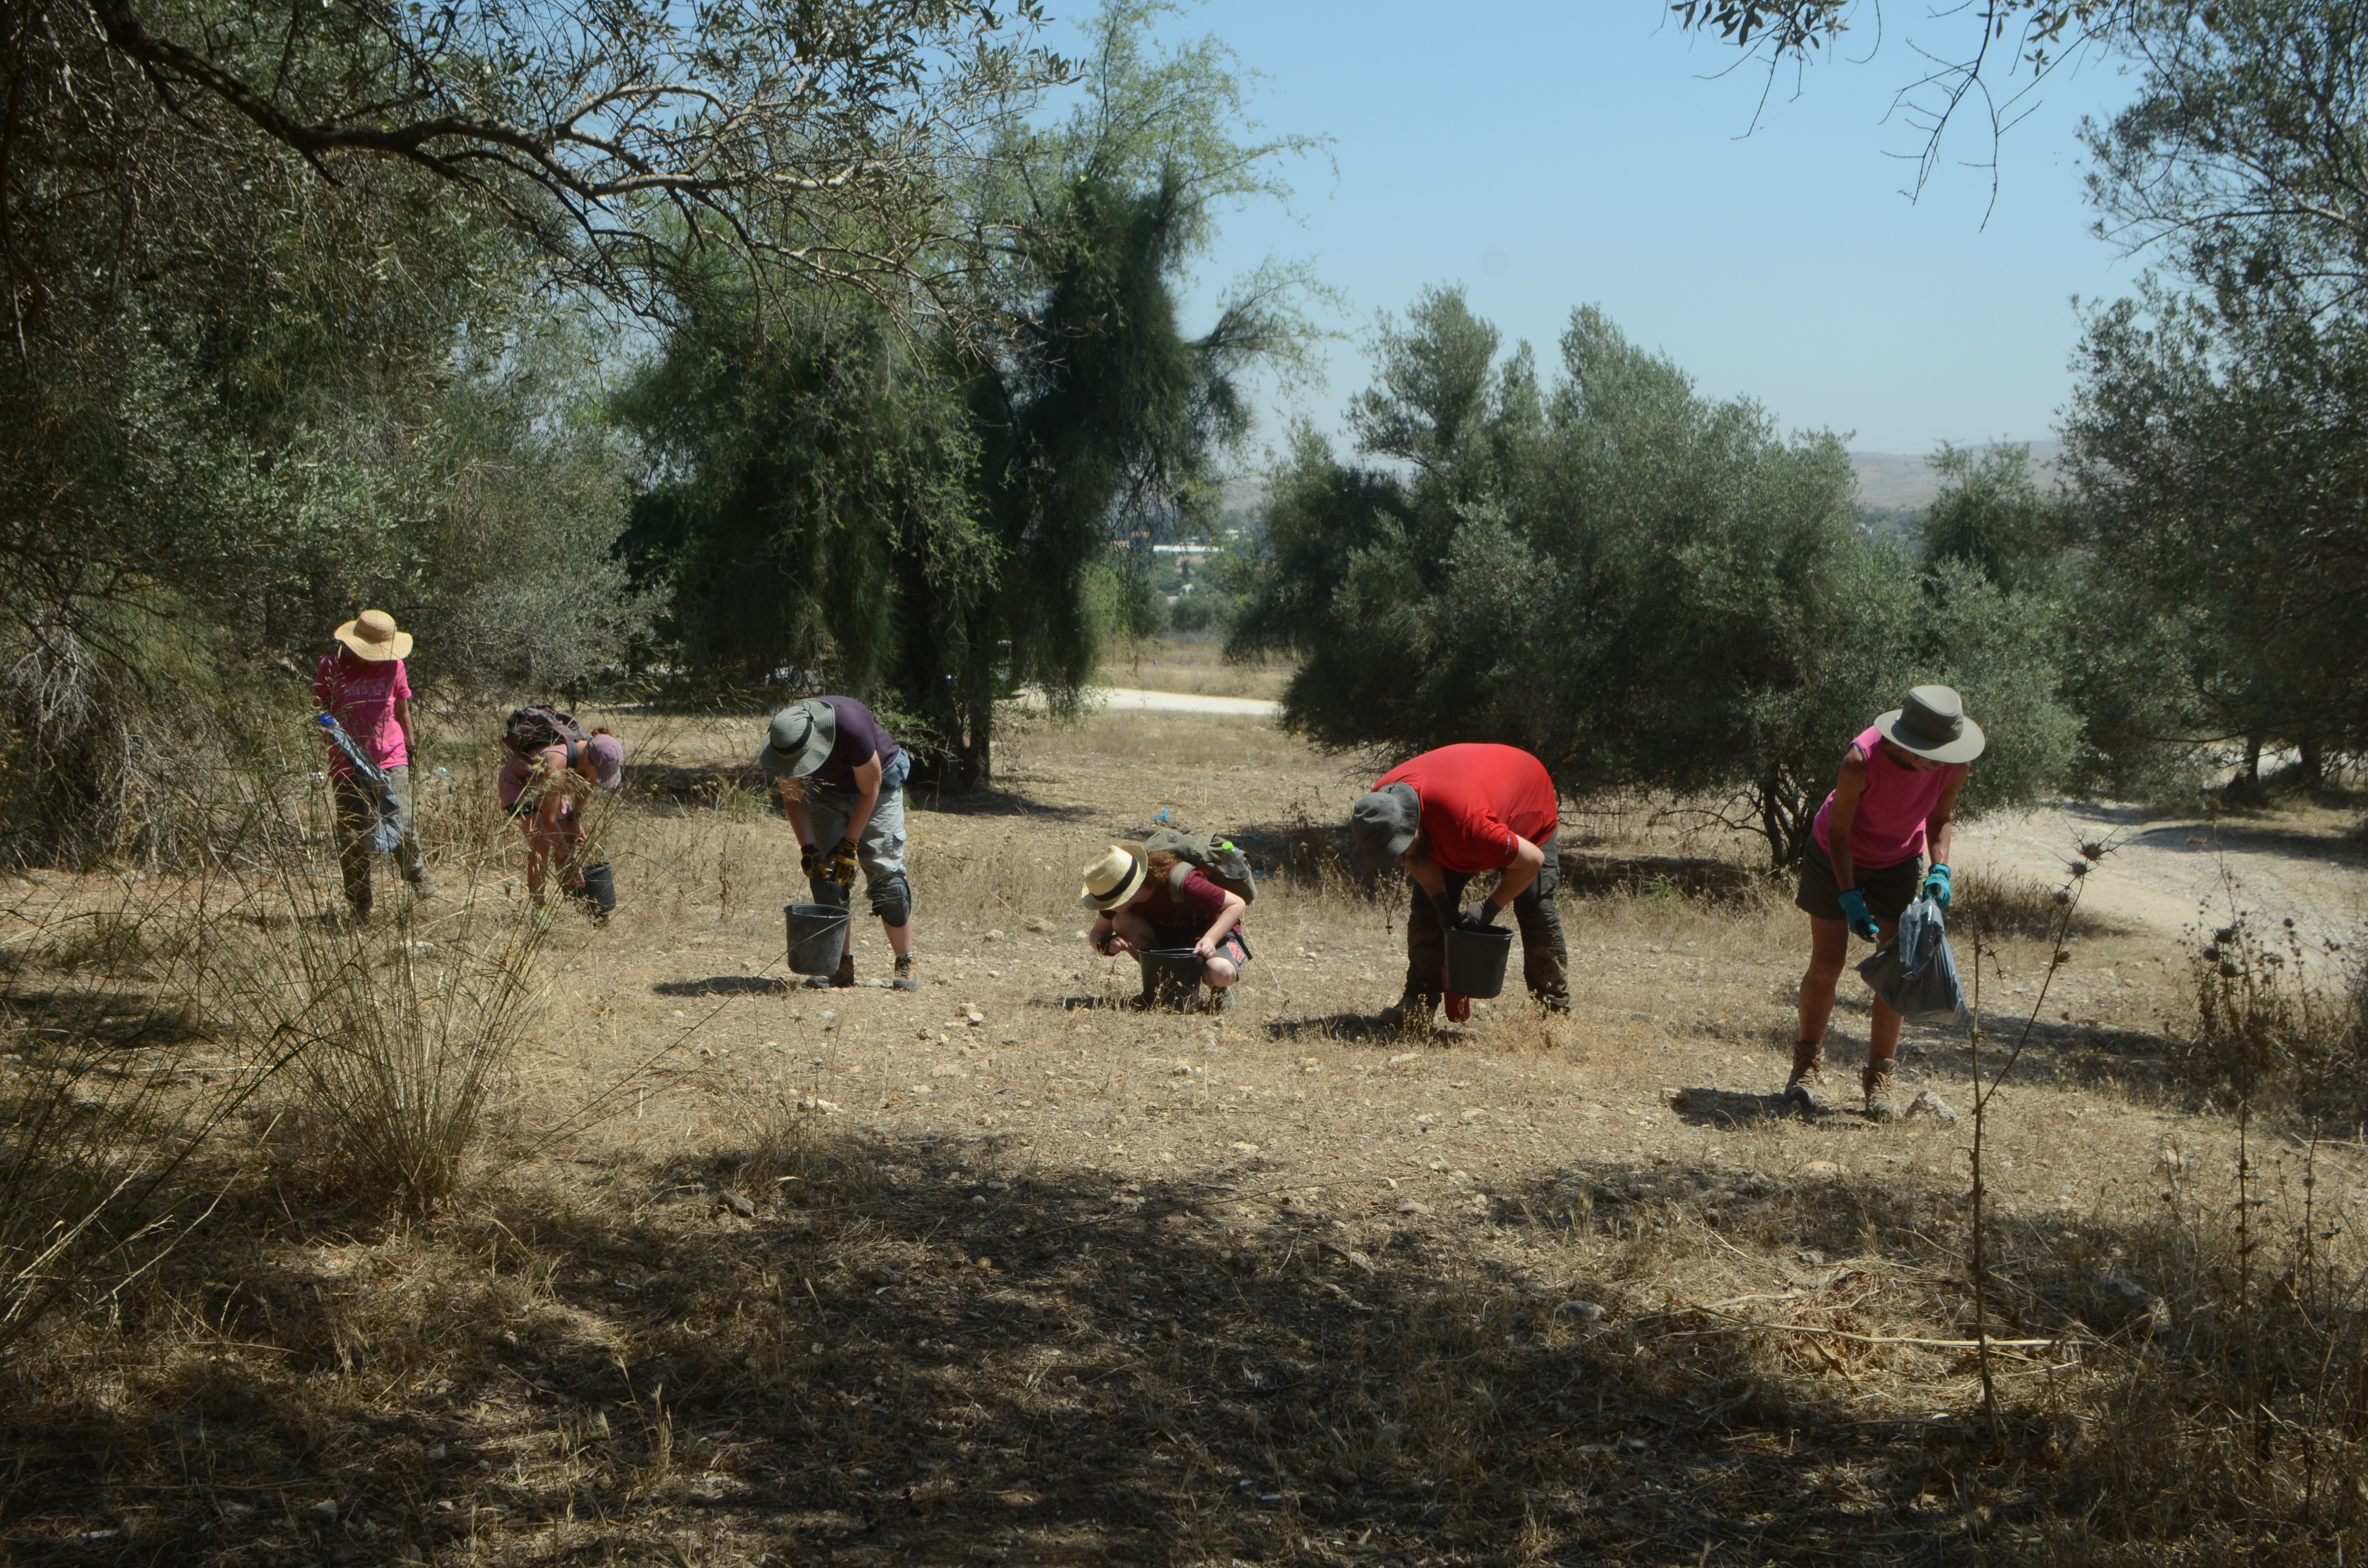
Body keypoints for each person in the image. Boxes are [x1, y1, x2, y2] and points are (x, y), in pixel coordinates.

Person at [1789, 685, 1983, 1117]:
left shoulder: (1954, 762)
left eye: (1943, 752)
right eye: (1928, 753)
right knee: (1828, 965)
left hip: (1898, 861)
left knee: (1899, 969)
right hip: (1834, 855)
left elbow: (1940, 818)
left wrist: (1940, 868)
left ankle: (1880, 1078)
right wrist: (1850, 896)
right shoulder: (1861, 761)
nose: (1937, 762)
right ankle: (1805, 1066)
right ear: (1906, 743)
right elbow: (1839, 835)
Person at [1348, 743, 1568, 1024]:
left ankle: (1553, 1014)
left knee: (1535, 907)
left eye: (1398, 849)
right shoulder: (1382, 802)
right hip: (1464, 803)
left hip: (1525, 797)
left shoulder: (1469, 825)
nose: (1395, 860)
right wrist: (1441, 901)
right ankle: (1418, 1004)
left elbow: (1532, 862)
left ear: (1414, 827)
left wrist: (1489, 908)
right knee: (1427, 909)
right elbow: (1415, 856)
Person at [758, 697, 918, 992]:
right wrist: (809, 850)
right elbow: (793, 797)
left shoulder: (850, 726)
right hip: (828, 792)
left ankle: (905, 962)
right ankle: (838, 965)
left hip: (879, 784)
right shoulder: (783, 738)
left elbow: (870, 789)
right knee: (826, 879)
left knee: (887, 880)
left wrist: (849, 846)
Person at [314, 609, 432, 922]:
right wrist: (336, 734)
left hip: (392, 758)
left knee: (403, 825)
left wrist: (411, 746)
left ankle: (422, 884)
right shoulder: (331, 667)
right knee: (353, 835)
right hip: (347, 762)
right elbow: (320, 709)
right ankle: (359, 906)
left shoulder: (395, 665)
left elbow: (402, 710)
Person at [1078, 844, 1251, 1008]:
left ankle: (1219, 989)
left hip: (1214, 936)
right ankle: (1164, 989)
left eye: (1109, 902)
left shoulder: (1185, 883)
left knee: (1222, 972)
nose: (1106, 906)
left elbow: (1237, 904)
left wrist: (1210, 939)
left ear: (1127, 893)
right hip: (1173, 943)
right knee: (1121, 921)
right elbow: (1097, 934)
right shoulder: (1121, 902)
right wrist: (1107, 944)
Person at [498, 725, 624, 917]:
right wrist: (569, 861)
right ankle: (540, 910)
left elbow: (586, 786)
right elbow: (549, 821)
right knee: (541, 843)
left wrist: (576, 819)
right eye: (599, 773)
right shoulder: (558, 762)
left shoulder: (591, 758)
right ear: (589, 761)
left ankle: (577, 905)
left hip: (550, 787)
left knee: (567, 839)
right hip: (520, 785)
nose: (599, 778)